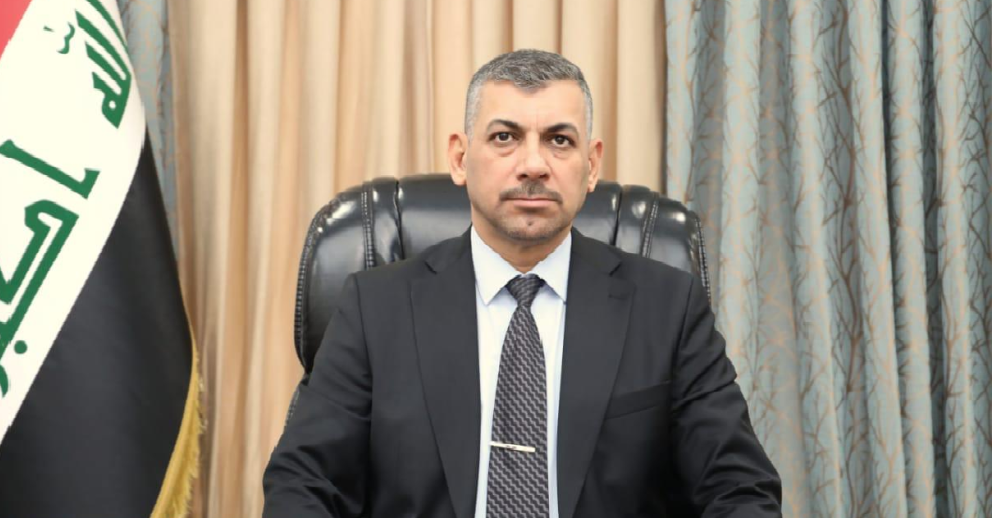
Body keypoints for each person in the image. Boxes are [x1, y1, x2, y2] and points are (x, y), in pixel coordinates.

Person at [263, 49, 781, 518]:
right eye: (505, 138)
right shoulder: (375, 308)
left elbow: (739, 488)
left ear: (591, 165)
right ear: (460, 158)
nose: (533, 165)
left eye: (559, 140)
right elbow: (303, 483)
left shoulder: (667, 308)